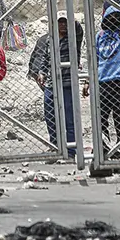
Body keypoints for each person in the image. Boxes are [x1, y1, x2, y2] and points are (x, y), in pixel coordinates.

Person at [29, 12, 83, 158]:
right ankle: (56, 147)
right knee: (50, 116)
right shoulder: (50, 40)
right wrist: (41, 72)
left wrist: (72, 18)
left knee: (69, 118)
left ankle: (71, 151)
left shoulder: (73, 39)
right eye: (60, 22)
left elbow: (79, 29)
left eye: (66, 22)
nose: (63, 25)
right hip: (51, 84)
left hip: (67, 83)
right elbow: (46, 58)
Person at [96, 6, 120, 158]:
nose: (113, 21)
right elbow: (95, 57)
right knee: (101, 118)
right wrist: (88, 81)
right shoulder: (99, 36)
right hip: (103, 82)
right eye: (110, 18)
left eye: (117, 18)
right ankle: (104, 148)